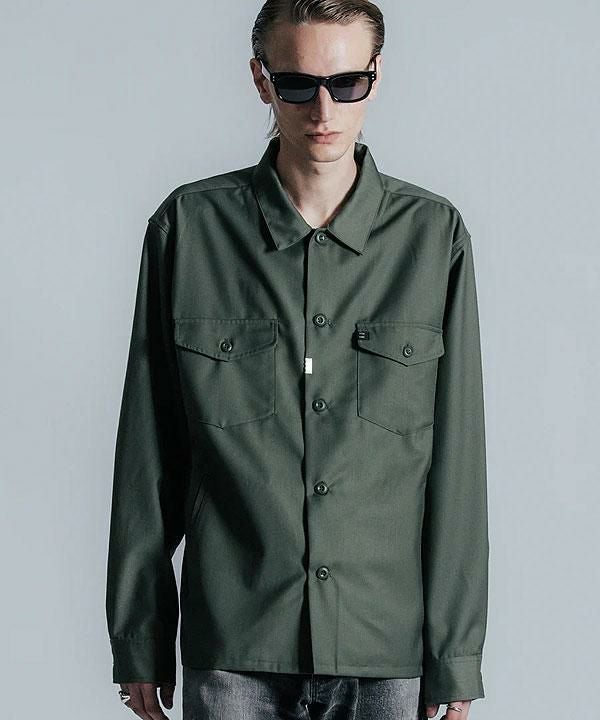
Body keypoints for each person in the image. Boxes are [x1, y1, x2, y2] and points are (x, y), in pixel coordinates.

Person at [105, 1, 490, 719]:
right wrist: (140, 637)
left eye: (347, 84)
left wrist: (455, 652)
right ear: (261, 79)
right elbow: (148, 457)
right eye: (297, 84)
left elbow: (456, 464)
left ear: (376, 77)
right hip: (235, 649)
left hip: (386, 649)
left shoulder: (433, 238)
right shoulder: (189, 229)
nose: (324, 109)